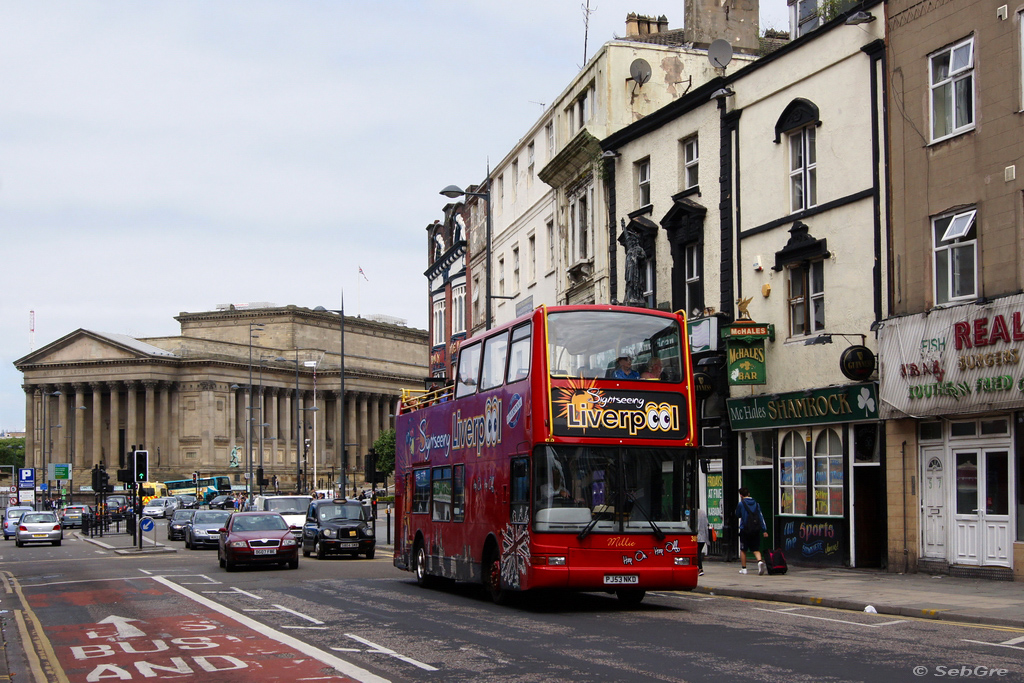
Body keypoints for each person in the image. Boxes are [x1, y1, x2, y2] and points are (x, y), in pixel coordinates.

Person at [736, 487, 769, 575]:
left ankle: (744, 569)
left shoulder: (741, 504)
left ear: (741, 495)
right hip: (755, 529)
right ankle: (759, 561)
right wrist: (764, 530)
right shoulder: (756, 504)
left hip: (745, 529)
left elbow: (738, 514)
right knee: (755, 548)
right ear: (749, 494)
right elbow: (761, 517)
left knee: (743, 549)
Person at [696, 507, 709, 576]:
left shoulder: (694, 513)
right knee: (698, 552)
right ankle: (699, 568)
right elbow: (706, 525)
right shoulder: (703, 512)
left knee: (697, 553)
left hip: (697, 537)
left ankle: (700, 569)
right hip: (703, 537)